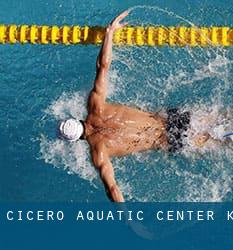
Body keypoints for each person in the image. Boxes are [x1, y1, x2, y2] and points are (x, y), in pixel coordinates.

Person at [58, 11, 210, 202]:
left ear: (76, 140)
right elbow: (103, 66)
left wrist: (130, 221)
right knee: (226, 118)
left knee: (228, 141)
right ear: (76, 119)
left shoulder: (99, 152)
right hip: (172, 118)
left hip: (171, 140)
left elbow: (112, 189)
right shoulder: (95, 105)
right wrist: (109, 33)